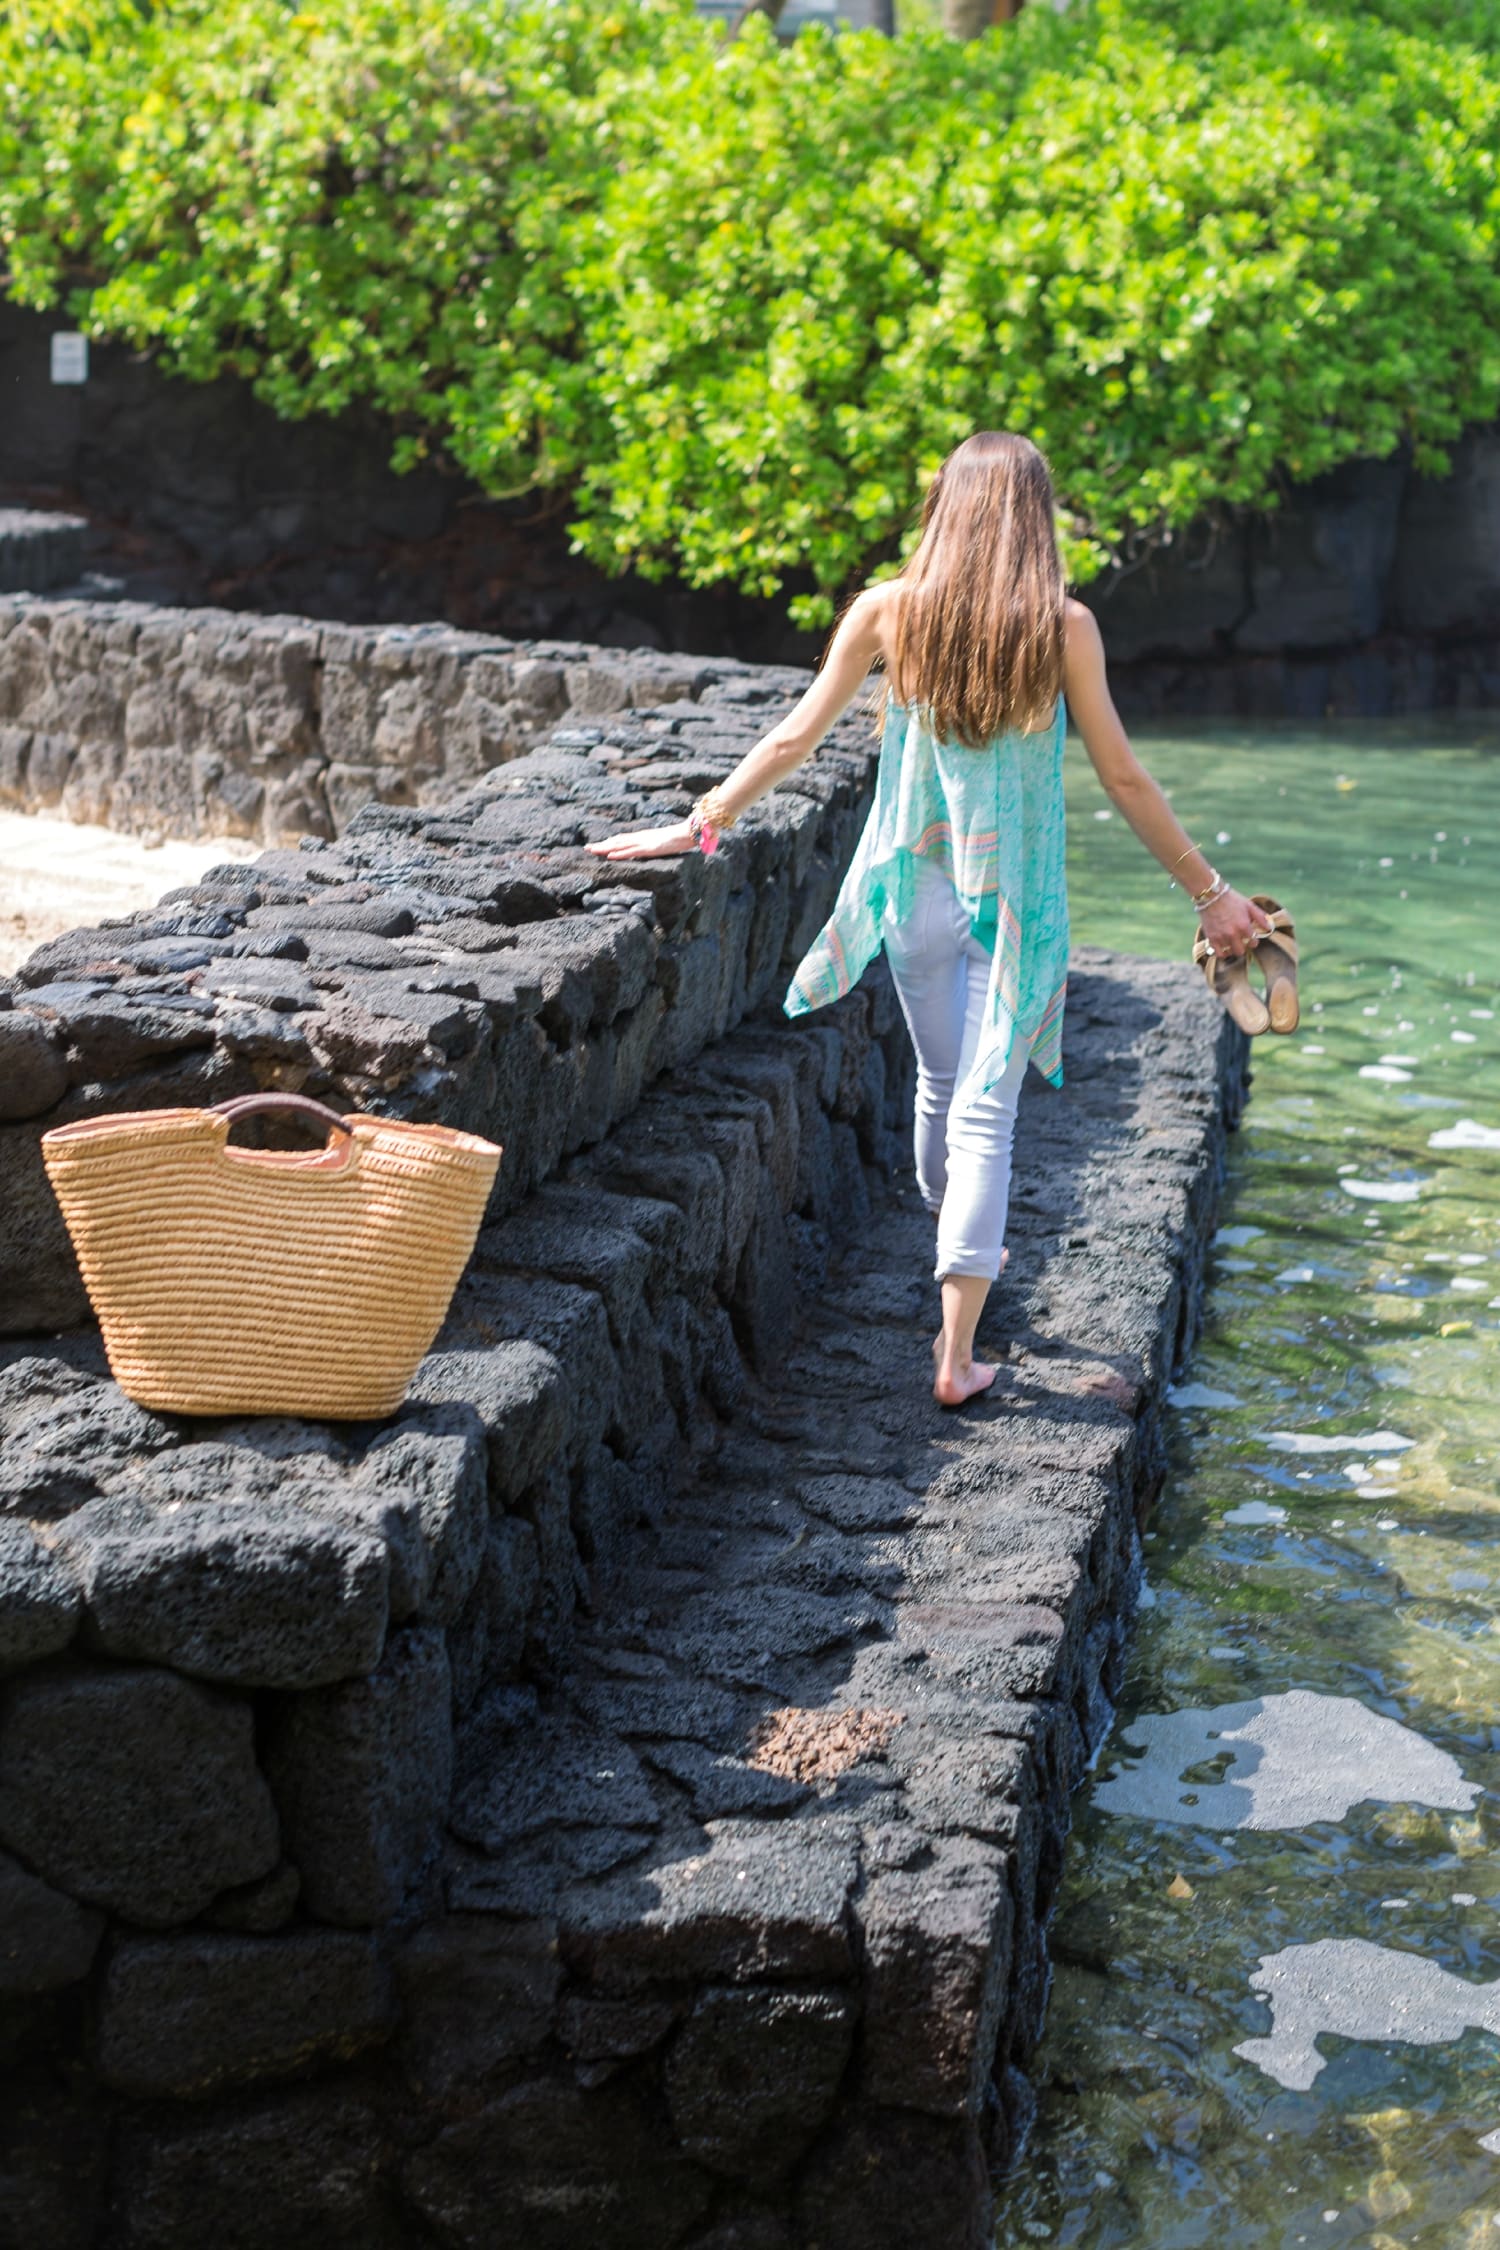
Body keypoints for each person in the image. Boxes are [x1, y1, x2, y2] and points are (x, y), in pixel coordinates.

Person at [587, 431, 1271, 1406]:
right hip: (1016, 904)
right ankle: (957, 1351)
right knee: (987, 1113)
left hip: (912, 889)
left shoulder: (888, 612)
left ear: (944, 509)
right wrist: (1212, 894)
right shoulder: (1063, 627)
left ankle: (958, 1269)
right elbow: (1122, 774)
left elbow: (793, 735)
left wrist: (696, 826)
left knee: (941, 1086)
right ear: (1036, 519)